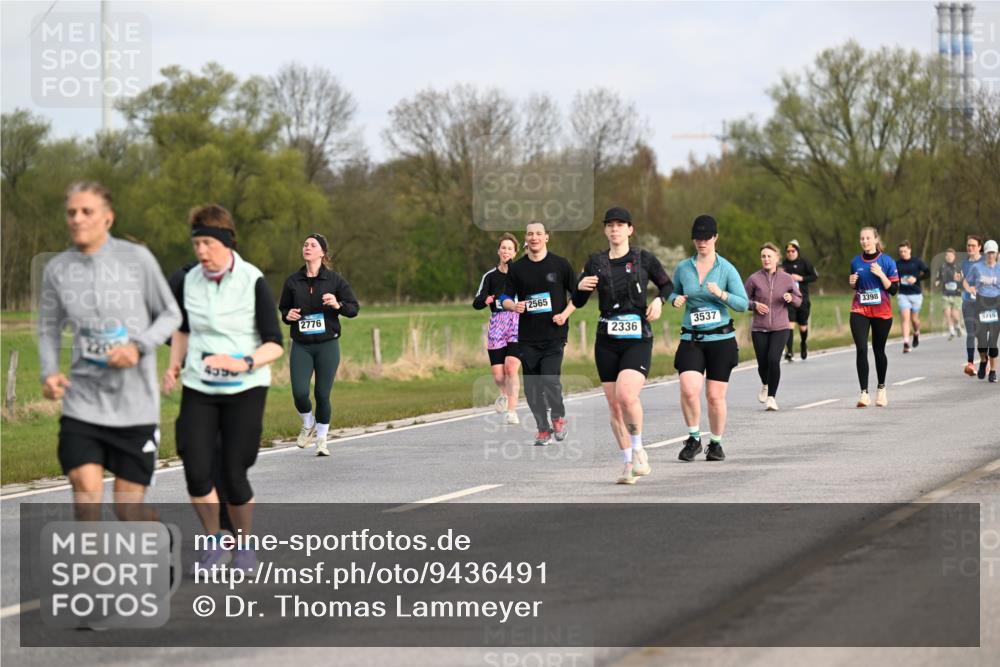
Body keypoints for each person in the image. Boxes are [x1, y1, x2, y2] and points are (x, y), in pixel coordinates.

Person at [39, 181, 181, 522]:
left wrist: (138, 346)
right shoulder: (57, 269)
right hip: (83, 403)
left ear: (108, 219)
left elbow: (171, 314)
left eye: (86, 211)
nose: (77, 218)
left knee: (127, 509)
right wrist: (49, 372)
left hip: (134, 406)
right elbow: (48, 328)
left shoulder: (137, 260)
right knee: (86, 496)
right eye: (71, 212)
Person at [163, 204, 284, 573]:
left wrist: (243, 361)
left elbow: (274, 343)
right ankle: (216, 541)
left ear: (227, 243)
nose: (201, 252)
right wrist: (173, 365)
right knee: (196, 468)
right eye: (197, 244)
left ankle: (244, 546)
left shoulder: (252, 280)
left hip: (245, 388)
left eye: (208, 244)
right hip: (200, 386)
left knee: (234, 472)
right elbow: (182, 329)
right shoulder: (189, 280)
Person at [573, 207, 673, 484]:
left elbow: (667, 286)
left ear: (630, 229)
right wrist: (581, 287)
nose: (615, 229)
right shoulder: (595, 262)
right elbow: (579, 301)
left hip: (637, 337)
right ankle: (628, 462)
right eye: (610, 225)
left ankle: (640, 449)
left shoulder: (643, 259)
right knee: (614, 405)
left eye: (620, 225)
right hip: (606, 339)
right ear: (605, 230)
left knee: (627, 396)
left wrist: (658, 301)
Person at [668, 215, 749, 462]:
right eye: (697, 238)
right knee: (689, 389)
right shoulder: (683, 268)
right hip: (692, 338)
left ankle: (715, 443)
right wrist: (676, 299)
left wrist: (722, 294)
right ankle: (693, 439)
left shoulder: (726, 268)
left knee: (715, 396)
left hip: (721, 340)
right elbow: (673, 291)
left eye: (706, 237)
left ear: (715, 237)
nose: (701, 242)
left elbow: (743, 304)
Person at [279, 234, 359, 456]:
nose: (307, 247)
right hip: (302, 345)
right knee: (300, 393)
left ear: (322, 253)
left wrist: (338, 304)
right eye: (305, 244)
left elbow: (353, 308)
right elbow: (284, 309)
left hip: (327, 345)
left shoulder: (335, 281)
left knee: (322, 394)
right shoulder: (293, 282)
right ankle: (308, 422)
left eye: (313, 245)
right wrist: (289, 315)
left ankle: (322, 440)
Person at [500, 221, 576, 446]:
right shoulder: (517, 269)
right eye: (530, 234)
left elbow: (578, 296)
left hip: (555, 334)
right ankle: (543, 428)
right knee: (533, 389)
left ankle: (558, 417)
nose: (534, 237)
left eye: (539, 234)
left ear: (546, 237)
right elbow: (503, 298)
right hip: (527, 337)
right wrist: (512, 306)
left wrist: (565, 314)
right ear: (526, 238)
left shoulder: (560, 265)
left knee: (550, 379)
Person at [745, 242, 802, 411]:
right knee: (763, 364)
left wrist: (791, 298)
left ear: (777, 258)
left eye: (769, 256)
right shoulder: (754, 279)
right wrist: (754, 305)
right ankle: (765, 383)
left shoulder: (787, 278)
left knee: (773, 360)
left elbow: (799, 300)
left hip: (780, 327)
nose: (766, 259)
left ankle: (771, 397)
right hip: (759, 328)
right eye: (763, 256)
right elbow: (742, 301)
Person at [473, 233, 522, 425]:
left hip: (518, 323)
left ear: (515, 252)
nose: (506, 251)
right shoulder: (490, 276)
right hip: (497, 323)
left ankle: (512, 411)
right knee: (499, 375)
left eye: (510, 248)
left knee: (511, 368)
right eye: (503, 248)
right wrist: (484, 300)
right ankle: (503, 393)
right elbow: (476, 302)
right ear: (498, 251)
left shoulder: (521, 274)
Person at [849, 227, 899, 408]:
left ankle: (881, 389)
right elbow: (856, 286)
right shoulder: (855, 262)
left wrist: (881, 275)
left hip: (882, 312)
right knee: (861, 348)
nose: (864, 241)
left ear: (876, 239)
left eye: (868, 238)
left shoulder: (887, 261)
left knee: (879, 350)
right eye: (862, 238)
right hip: (859, 310)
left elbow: (893, 290)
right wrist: (852, 283)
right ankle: (864, 393)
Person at [963, 239, 1000, 382]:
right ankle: (983, 360)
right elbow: (966, 281)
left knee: (993, 341)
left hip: (996, 303)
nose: (990, 255)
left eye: (993, 253)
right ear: (984, 253)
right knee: (982, 340)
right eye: (988, 253)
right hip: (981, 303)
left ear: (996, 253)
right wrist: (970, 288)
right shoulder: (977, 268)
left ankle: (993, 371)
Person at [781, 240, 818, 361]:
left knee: (802, 326)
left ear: (797, 252)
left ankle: (803, 343)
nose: (790, 253)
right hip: (788, 299)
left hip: (803, 299)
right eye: (788, 251)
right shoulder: (783, 265)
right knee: (789, 325)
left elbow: (815, 276)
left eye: (793, 251)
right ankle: (790, 351)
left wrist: (801, 278)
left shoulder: (804, 263)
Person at [895, 240, 931, 353]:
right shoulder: (897, 264)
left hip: (916, 294)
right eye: (901, 251)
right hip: (903, 294)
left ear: (909, 250)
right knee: (905, 318)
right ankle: (906, 343)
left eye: (905, 251)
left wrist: (917, 279)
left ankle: (916, 332)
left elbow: (928, 272)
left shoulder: (917, 262)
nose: (903, 253)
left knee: (914, 319)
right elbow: (891, 276)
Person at [961, 236, 985, 376]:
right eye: (968, 245)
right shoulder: (963, 264)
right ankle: (970, 363)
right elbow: (962, 281)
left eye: (973, 245)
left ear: (979, 247)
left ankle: (985, 361)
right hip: (968, 303)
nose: (970, 248)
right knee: (970, 333)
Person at [935, 248, 964, 340]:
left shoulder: (958, 267)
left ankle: (958, 326)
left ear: (954, 257)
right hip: (946, 294)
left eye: (951, 256)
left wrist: (959, 279)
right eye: (947, 256)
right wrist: (937, 282)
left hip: (956, 294)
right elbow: (938, 277)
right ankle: (952, 331)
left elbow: (963, 280)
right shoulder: (942, 267)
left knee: (954, 314)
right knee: (947, 313)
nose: (949, 257)